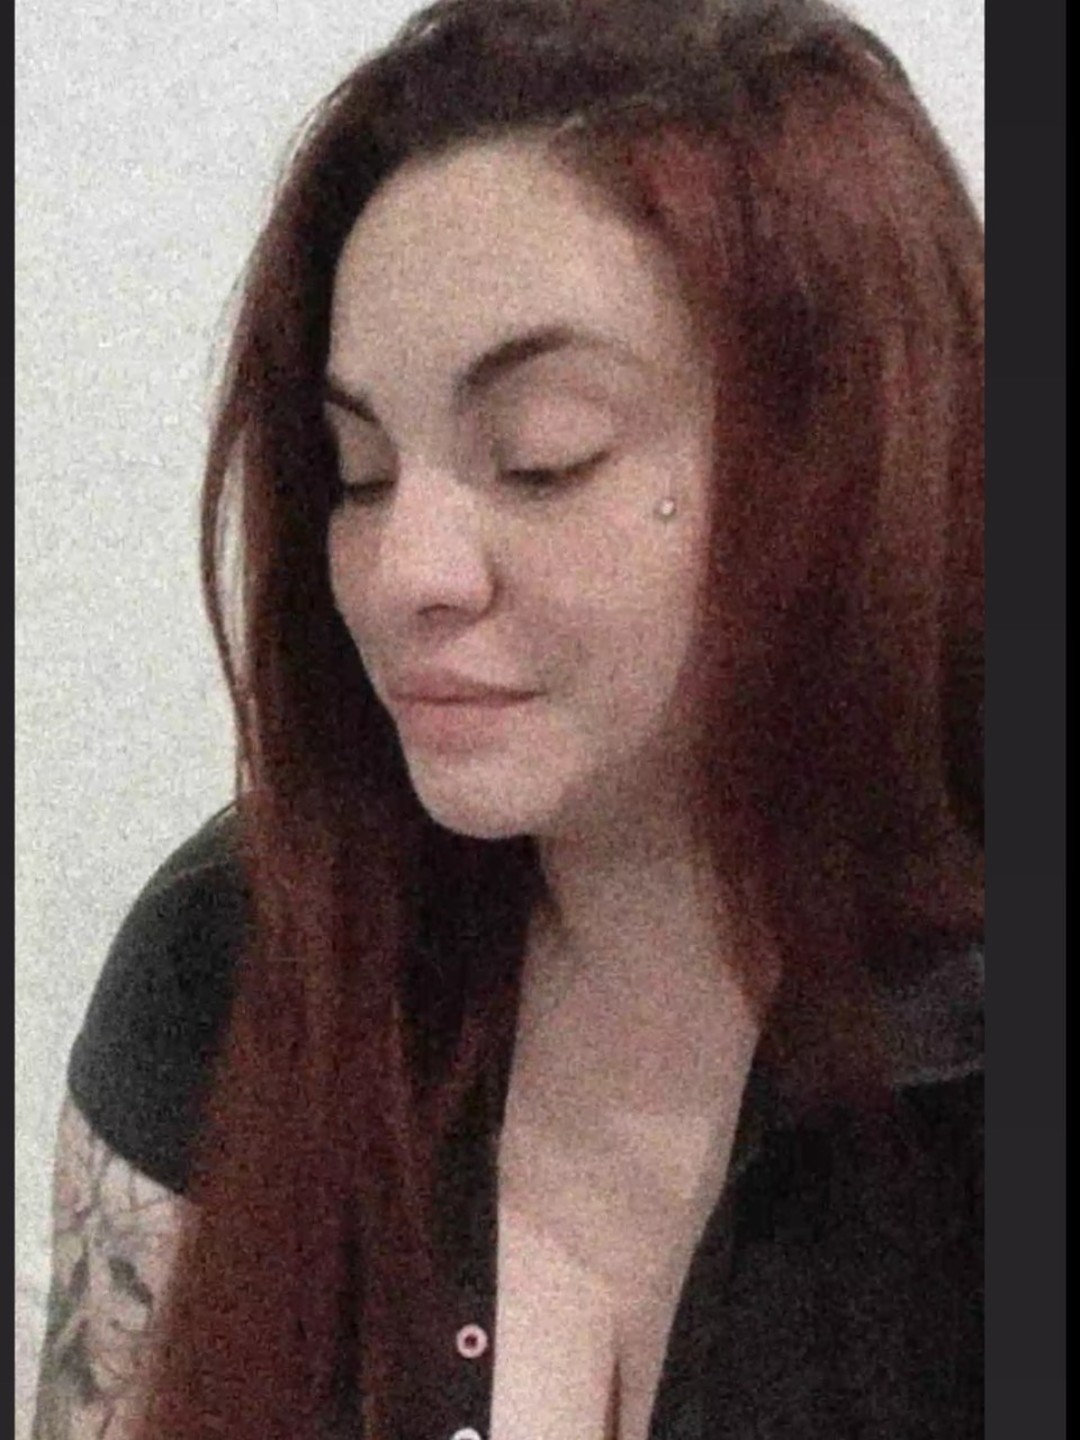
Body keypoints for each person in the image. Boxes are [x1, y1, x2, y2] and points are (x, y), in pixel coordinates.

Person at [31, 0, 984, 1436]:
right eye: (359, 470)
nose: (404, 572)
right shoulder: (239, 955)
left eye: (543, 459)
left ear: (851, 462)